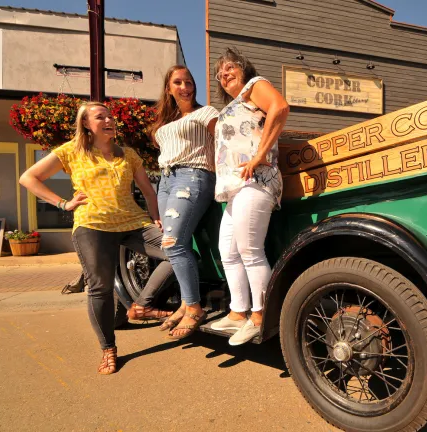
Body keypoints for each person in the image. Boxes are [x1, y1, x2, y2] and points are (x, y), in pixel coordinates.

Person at [19, 101, 173, 375]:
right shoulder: (72, 151)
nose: (109, 119)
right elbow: (29, 178)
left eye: (110, 116)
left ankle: (141, 305)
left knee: (178, 253)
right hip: (93, 224)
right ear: (87, 125)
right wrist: (62, 203)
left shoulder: (129, 155)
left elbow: (149, 191)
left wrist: (155, 218)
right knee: (100, 287)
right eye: (100, 116)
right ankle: (108, 349)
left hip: (132, 222)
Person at [210, 48, 290, 345]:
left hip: (256, 181)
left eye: (229, 67)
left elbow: (280, 108)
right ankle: (237, 313)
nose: (224, 74)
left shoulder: (254, 86)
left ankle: (260, 316)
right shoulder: (235, 104)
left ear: (244, 68)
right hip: (236, 187)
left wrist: (259, 155)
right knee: (228, 253)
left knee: (249, 251)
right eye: (220, 73)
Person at [149, 65, 220, 340]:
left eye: (188, 81)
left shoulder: (206, 113)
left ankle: (194, 307)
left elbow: (225, 142)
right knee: (172, 246)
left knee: (174, 244)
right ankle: (185, 302)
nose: (184, 86)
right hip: (166, 180)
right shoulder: (165, 124)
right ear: (169, 88)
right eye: (177, 82)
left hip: (193, 175)